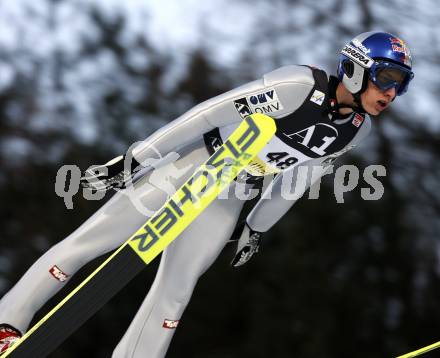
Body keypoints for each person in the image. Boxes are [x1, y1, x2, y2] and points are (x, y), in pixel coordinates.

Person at [0, 31, 414, 357]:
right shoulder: (297, 86)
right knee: (90, 242)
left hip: (229, 196)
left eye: (402, 85)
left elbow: (299, 179)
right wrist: (137, 158)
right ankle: (8, 324)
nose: (392, 93)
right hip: (191, 165)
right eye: (388, 79)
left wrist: (255, 227)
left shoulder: (356, 131)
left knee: (176, 293)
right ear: (357, 69)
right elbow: (211, 112)